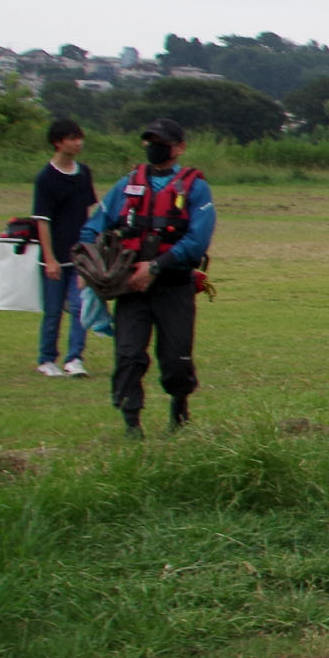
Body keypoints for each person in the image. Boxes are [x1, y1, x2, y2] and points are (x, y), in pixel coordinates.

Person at [82, 118, 215, 438]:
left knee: (175, 357)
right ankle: (131, 424)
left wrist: (154, 267)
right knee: (128, 354)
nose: (154, 147)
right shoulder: (126, 185)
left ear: (179, 148)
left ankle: (179, 407)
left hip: (173, 284)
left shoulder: (195, 187)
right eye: (150, 141)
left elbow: (197, 240)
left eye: (162, 141)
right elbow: (92, 228)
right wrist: (91, 264)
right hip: (131, 287)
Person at [30, 118, 99, 378]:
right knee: (53, 309)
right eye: (72, 138)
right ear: (58, 143)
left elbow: (88, 215)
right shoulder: (45, 178)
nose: (78, 142)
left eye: (80, 137)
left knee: (81, 307)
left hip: (79, 255)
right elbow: (42, 221)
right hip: (55, 257)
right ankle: (47, 359)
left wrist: (90, 250)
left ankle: (75, 358)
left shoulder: (84, 173)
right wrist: (49, 258)